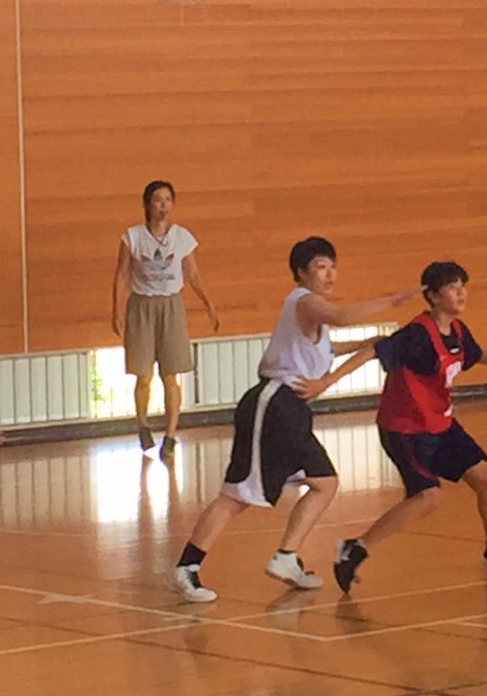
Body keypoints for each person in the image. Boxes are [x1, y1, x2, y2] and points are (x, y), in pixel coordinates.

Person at [169, 237, 418, 602]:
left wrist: (371, 341)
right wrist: (393, 300)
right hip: (273, 406)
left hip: (292, 411)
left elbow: (328, 347)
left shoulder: (312, 317)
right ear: (301, 273)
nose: (329, 273)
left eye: (332, 266)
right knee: (237, 496)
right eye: (320, 266)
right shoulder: (305, 301)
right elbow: (342, 316)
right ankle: (187, 567)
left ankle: (286, 557)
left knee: (325, 482)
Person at [290, 261, 487, 593]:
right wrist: (325, 382)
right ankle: (354, 549)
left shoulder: (458, 331)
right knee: (428, 496)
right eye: (452, 287)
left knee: (484, 479)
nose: (461, 293)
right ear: (433, 296)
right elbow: (370, 352)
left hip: (441, 423)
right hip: (405, 428)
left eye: (462, 286)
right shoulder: (417, 334)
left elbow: (475, 354)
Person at [110, 180, 219, 462]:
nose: (163, 205)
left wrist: (208, 304)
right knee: (143, 374)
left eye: (168, 200)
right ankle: (143, 424)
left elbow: (193, 273)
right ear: (147, 204)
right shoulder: (132, 237)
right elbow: (122, 274)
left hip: (171, 305)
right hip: (142, 305)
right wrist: (117, 310)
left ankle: (170, 437)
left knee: (170, 375)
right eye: (158, 200)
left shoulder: (182, 237)